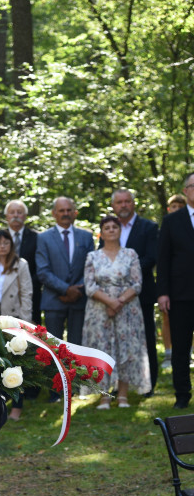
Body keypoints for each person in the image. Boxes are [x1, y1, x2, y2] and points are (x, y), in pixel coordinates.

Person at [83, 216, 151, 409]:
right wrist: (109, 302)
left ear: (120, 231)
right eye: (107, 227)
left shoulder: (130, 254)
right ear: (101, 233)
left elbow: (137, 284)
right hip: (99, 310)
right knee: (102, 351)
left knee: (126, 349)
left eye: (115, 227)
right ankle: (104, 396)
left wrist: (119, 302)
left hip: (128, 309)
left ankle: (122, 395)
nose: (111, 230)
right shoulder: (93, 257)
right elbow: (89, 286)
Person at [0, 229, 33, 421]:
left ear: (11, 245)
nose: (2, 246)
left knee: (17, 361)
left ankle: (17, 405)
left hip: (16, 318)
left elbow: (26, 293)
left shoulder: (21, 265)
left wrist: (25, 322)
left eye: (5, 242)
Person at [110, 189, 158, 393]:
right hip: (112, 297)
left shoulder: (148, 227)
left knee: (145, 341)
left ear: (133, 203)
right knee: (115, 343)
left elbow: (151, 258)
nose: (123, 205)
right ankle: (116, 386)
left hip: (141, 295)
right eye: (119, 202)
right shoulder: (108, 227)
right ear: (113, 206)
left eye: (127, 201)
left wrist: (123, 274)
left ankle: (148, 385)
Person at [157, 172, 194, 409]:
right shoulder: (172, 221)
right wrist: (163, 292)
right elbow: (163, 259)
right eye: (193, 186)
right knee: (180, 348)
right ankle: (182, 395)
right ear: (186, 191)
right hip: (181, 295)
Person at [36, 198, 94, 338]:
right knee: (54, 350)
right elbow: (43, 271)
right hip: (54, 301)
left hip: (79, 300)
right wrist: (66, 290)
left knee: (78, 349)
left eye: (69, 210)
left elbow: (91, 268)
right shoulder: (43, 238)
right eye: (61, 210)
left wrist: (77, 291)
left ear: (75, 213)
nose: (65, 213)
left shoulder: (86, 236)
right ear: (54, 213)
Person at [161, 194, 187, 370]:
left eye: (180, 206)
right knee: (168, 320)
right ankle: (169, 352)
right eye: (174, 206)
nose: (177, 209)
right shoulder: (167, 224)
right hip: (174, 287)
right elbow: (163, 258)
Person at [4, 200, 41, 324]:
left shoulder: (37, 237)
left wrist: (28, 284)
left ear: (25, 216)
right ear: (6, 216)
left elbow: (40, 266)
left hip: (31, 294)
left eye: (19, 212)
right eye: (12, 212)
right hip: (3, 295)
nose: (15, 215)